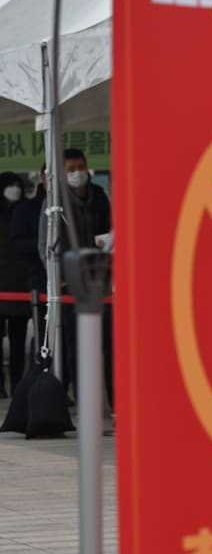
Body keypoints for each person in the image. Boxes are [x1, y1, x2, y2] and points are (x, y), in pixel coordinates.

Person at [38, 149, 114, 406]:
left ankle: (116, 402)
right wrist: (57, 277)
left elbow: (111, 229)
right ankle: (85, 400)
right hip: (70, 286)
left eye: (80, 167)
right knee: (78, 346)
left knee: (108, 344)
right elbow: (44, 246)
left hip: (101, 281)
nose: (77, 173)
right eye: (70, 170)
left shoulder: (100, 197)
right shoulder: (54, 203)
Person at [0, 172, 31, 395]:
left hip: (20, 283)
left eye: (17, 185)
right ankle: (0, 385)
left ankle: (19, 382)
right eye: (10, 185)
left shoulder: (26, 211)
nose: (15, 189)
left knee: (18, 341)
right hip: (2, 284)